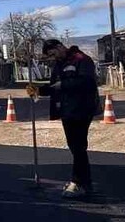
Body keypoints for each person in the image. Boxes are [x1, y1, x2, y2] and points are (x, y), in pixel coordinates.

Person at [41, 39, 99, 198]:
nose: (53, 58)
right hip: (67, 110)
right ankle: (84, 183)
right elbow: (54, 86)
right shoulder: (59, 64)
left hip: (82, 108)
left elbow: (88, 83)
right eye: (50, 56)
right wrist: (40, 90)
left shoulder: (81, 60)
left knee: (78, 146)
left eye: (53, 53)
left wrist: (63, 85)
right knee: (75, 147)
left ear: (60, 47)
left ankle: (78, 182)